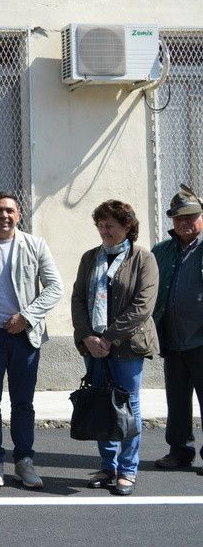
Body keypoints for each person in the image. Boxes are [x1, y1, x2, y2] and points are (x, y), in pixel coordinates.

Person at [0, 191, 63, 489]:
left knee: (23, 403)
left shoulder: (35, 246)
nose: (3, 215)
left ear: (19, 215)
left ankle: (24, 462)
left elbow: (55, 288)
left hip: (25, 335)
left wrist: (27, 317)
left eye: (9, 210)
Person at [71, 200, 159, 496]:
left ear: (127, 226)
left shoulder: (143, 258)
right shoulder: (90, 257)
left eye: (110, 225)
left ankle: (128, 469)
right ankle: (107, 466)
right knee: (101, 402)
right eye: (100, 225)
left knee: (127, 405)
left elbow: (142, 306)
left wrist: (108, 338)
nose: (104, 231)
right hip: (93, 346)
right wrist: (87, 336)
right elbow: (78, 299)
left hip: (127, 346)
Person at [151, 186, 203, 474]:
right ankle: (180, 451)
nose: (185, 223)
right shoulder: (161, 251)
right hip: (171, 338)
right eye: (179, 218)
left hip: (201, 339)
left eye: (191, 216)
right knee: (177, 400)